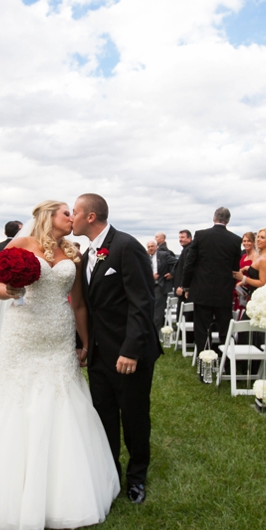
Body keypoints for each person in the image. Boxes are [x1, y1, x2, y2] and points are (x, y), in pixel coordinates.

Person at [0, 200, 119, 530]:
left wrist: (85, 343)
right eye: (66, 212)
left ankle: (64, 487)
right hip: (24, 331)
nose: (71, 217)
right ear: (48, 216)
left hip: (58, 334)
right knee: (16, 398)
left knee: (63, 398)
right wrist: (10, 290)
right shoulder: (20, 245)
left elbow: (77, 303)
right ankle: (3, 485)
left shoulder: (73, 251)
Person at [72, 193, 160, 505]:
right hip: (98, 353)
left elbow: (142, 302)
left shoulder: (126, 246)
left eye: (75, 212)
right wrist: (82, 345)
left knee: (134, 418)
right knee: (104, 417)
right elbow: (86, 305)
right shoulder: (85, 253)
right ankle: (110, 476)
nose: (71, 218)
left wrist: (131, 350)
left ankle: (137, 479)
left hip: (128, 354)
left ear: (90, 216)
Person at [182, 207, 243, 356]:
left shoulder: (201, 235)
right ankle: (226, 363)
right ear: (228, 220)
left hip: (202, 290)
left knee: (202, 329)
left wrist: (186, 286)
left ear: (214, 218)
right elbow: (235, 267)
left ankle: (204, 366)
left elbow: (189, 263)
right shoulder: (235, 239)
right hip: (224, 291)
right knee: (224, 330)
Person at [233, 228, 266, 296]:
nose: (258, 239)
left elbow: (263, 283)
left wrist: (243, 278)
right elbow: (258, 271)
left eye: (262, 237)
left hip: (260, 295)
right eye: (258, 237)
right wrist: (246, 268)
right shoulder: (263, 256)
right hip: (254, 293)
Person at [146, 240, 177, 330]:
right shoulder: (145, 257)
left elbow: (177, 262)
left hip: (160, 285)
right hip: (149, 287)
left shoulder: (163, 255)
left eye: (152, 246)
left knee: (158, 312)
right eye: (149, 247)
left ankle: (156, 332)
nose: (151, 248)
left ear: (156, 247)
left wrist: (172, 274)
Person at [233, 231, 257, 314]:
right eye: (244, 241)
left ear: (254, 242)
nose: (246, 243)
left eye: (249, 241)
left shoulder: (256, 256)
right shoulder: (243, 256)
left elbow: (255, 275)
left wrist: (242, 283)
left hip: (249, 286)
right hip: (239, 288)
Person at [172, 229, 193, 318]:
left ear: (189, 238)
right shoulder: (185, 250)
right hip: (182, 288)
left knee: (183, 316)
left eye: (183, 237)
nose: (180, 239)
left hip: (184, 290)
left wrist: (182, 286)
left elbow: (187, 269)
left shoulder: (189, 250)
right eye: (179, 237)